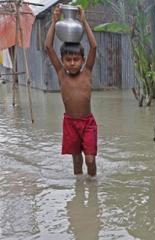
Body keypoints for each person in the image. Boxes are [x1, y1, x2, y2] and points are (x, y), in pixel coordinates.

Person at [45, 5, 98, 177]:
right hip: (70, 123)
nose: (72, 63)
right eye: (68, 59)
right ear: (63, 61)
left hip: (87, 123)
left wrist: (84, 21)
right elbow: (48, 47)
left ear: (83, 61)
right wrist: (54, 22)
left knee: (90, 159)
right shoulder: (62, 74)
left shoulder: (87, 73)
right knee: (76, 160)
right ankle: (79, 190)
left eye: (76, 59)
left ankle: (92, 186)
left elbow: (94, 47)